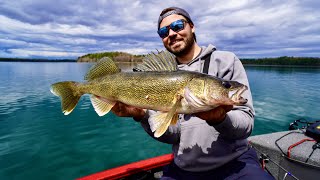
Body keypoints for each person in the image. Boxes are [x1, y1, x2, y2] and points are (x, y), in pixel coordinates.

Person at [112, 7, 273, 180]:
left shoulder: (226, 61)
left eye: (178, 25)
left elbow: (245, 126)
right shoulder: (163, 74)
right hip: (185, 169)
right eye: (164, 31)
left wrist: (219, 119)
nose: (172, 33)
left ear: (192, 26)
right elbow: (173, 135)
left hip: (235, 164)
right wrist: (142, 115)